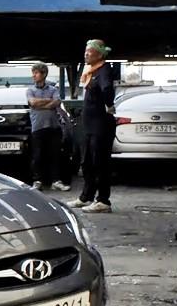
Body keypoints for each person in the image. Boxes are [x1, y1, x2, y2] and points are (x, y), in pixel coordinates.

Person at [68, 39, 116, 213]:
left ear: (100, 54)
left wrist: (108, 105)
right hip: (89, 125)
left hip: (101, 125)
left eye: (90, 51)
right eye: (85, 51)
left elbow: (107, 89)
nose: (86, 54)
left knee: (100, 163)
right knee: (87, 162)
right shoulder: (91, 71)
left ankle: (103, 201)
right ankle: (86, 197)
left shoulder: (104, 70)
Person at [26, 62, 70, 192]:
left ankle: (56, 181)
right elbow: (32, 102)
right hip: (37, 127)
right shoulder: (30, 90)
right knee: (37, 155)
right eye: (33, 73)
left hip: (53, 127)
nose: (34, 75)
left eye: (36, 73)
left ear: (44, 74)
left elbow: (56, 102)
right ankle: (37, 181)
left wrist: (40, 104)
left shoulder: (53, 89)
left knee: (55, 155)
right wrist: (48, 101)